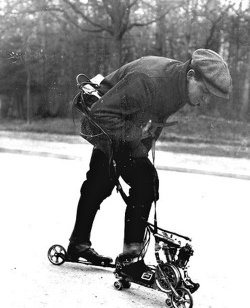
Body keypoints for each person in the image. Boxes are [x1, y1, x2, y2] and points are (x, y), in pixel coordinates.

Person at [67, 49, 232, 287]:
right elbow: (101, 114)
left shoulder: (178, 86)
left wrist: (141, 147)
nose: (204, 100)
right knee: (143, 180)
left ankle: (79, 244)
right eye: (205, 91)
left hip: (123, 123)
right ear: (191, 75)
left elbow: (155, 119)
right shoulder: (150, 80)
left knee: (102, 181)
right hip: (106, 122)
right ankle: (130, 262)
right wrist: (137, 140)